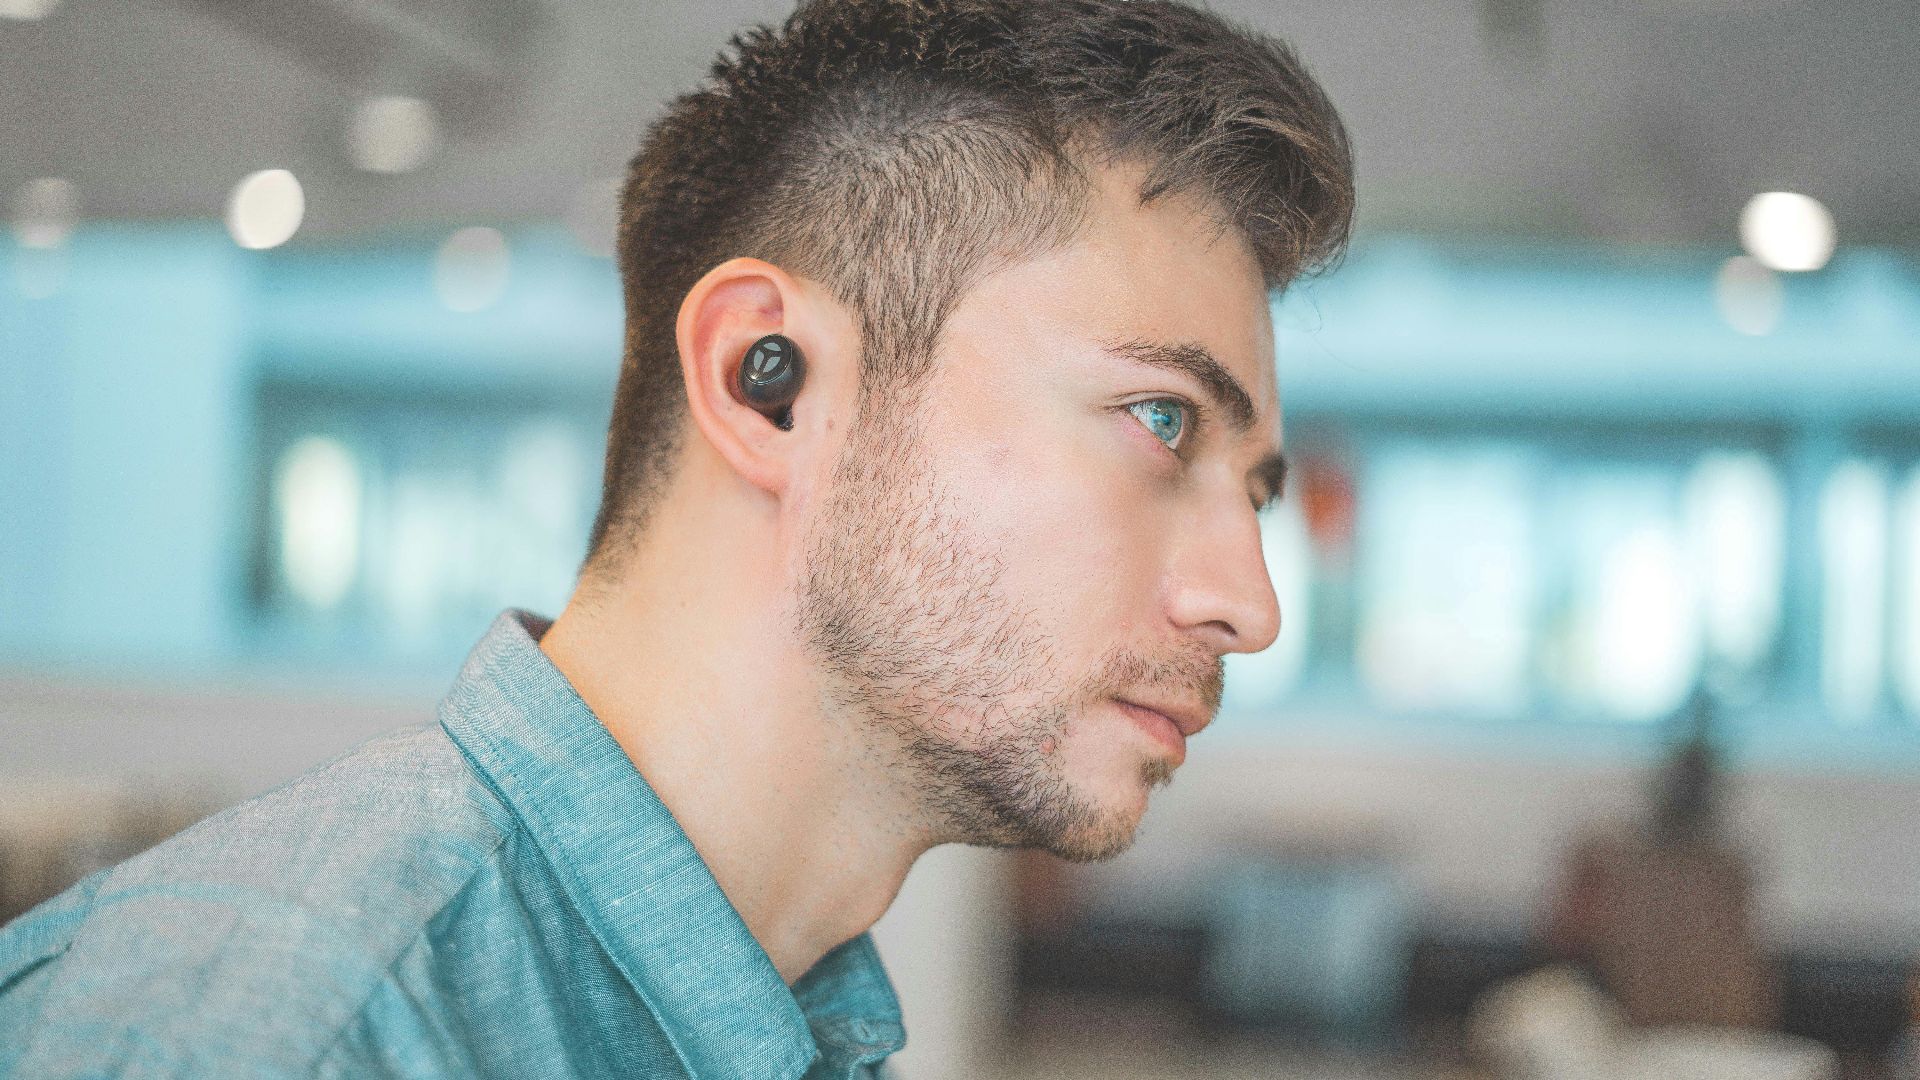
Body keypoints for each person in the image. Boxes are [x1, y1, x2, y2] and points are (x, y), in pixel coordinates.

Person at [0, 0, 1353, 1075]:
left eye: (1256, 491)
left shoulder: (796, 1021)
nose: (1250, 602)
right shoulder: (284, 1033)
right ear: (775, 380)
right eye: (1164, 423)